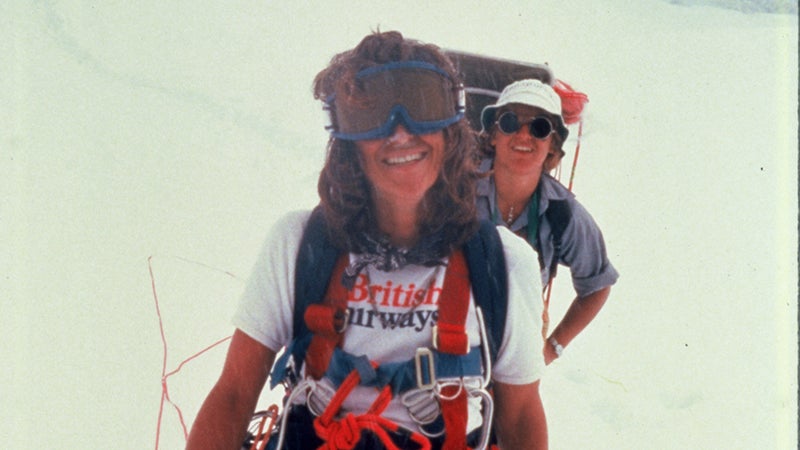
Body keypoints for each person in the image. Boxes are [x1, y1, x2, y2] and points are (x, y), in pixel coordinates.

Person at [186, 31, 548, 450]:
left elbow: (519, 416)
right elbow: (233, 395)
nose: (400, 133)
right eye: (372, 115)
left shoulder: (502, 263)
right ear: (348, 143)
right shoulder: (300, 243)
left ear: (451, 129)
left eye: (422, 106)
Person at [476, 79, 619, 366]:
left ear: (553, 145)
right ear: (492, 135)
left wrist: (552, 347)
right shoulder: (455, 192)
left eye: (539, 127)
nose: (524, 135)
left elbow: (598, 284)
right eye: (510, 122)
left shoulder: (563, 212)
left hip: (519, 341)